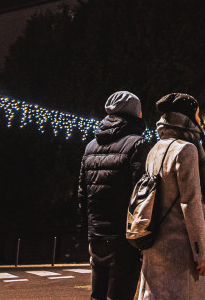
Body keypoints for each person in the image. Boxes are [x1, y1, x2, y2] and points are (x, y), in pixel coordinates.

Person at [137, 92, 205, 300]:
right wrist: (201, 252)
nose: (200, 121)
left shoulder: (155, 149)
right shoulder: (187, 150)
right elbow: (190, 203)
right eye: (197, 115)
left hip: (154, 244)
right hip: (179, 251)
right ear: (188, 117)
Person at [78, 90, 152, 300]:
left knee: (97, 295)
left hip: (97, 234)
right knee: (120, 295)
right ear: (135, 114)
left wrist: (89, 227)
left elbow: (82, 194)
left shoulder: (90, 147)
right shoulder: (138, 144)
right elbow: (142, 194)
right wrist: (143, 237)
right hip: (124, 237)